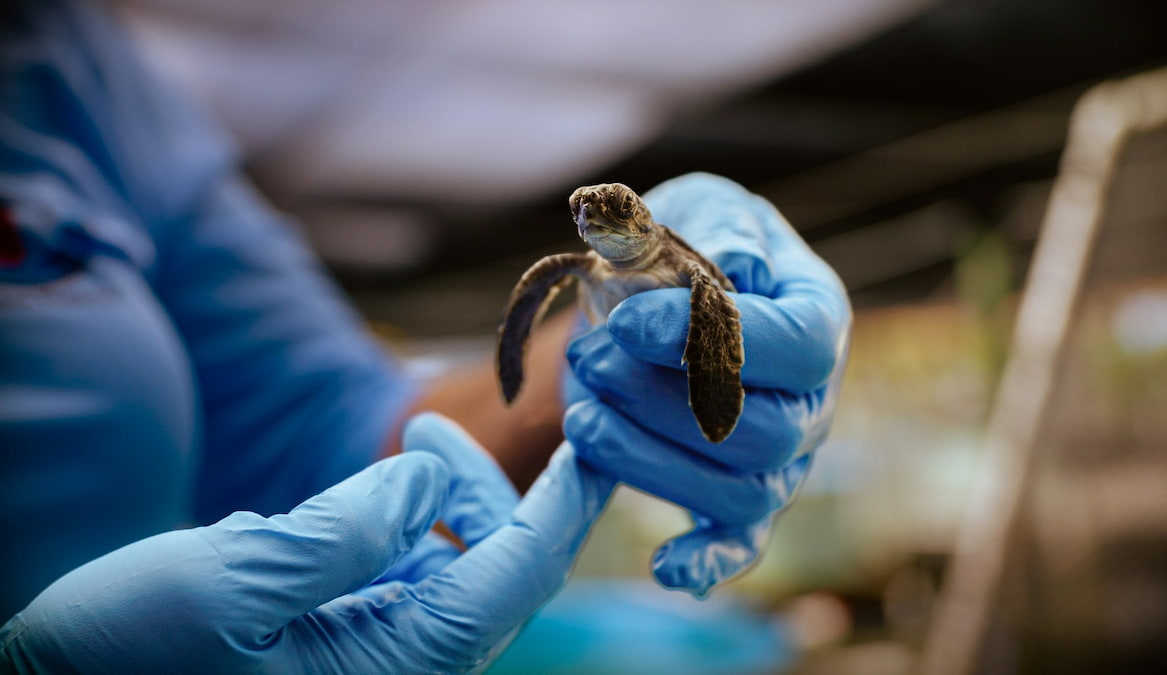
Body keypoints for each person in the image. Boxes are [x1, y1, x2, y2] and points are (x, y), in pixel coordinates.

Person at [0, 0, 851, 671]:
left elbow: (318, 423)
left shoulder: (53, 53)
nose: (595, 218)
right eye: (586, 212)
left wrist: (581, 370)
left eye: (611, 208)